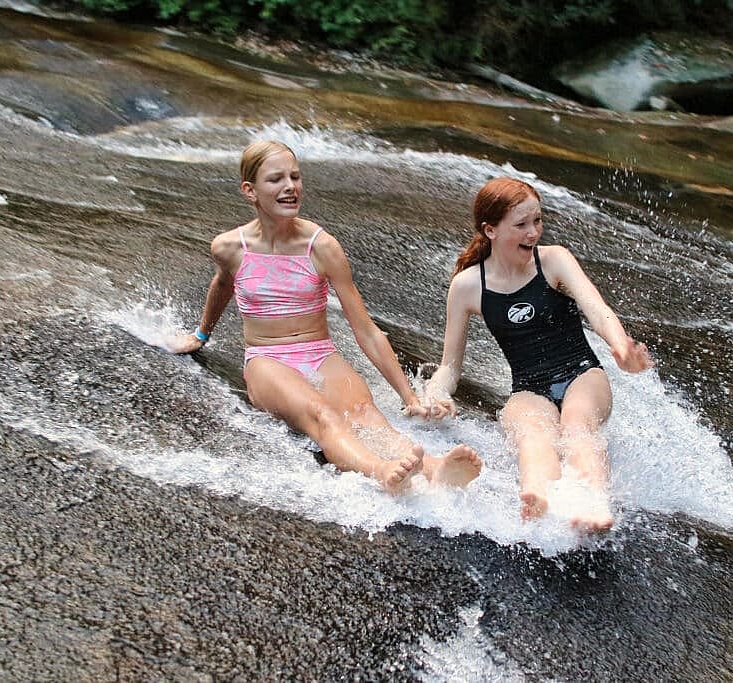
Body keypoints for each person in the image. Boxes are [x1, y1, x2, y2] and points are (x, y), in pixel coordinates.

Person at [172, 140, 481, 494]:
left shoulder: (322, 247)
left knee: (366, 413)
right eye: (275, 180)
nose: (289, 186)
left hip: (319, 352)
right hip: (267, 359)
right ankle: (379, 470)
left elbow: (365, 331)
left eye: (295, 177)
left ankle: (435, 467)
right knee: (323, 414)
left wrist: (409, 397)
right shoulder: (229, 247)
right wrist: (201, 334)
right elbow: (223, 284)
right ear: (250, 191)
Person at [422, 177, 653, 531]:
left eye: (538, 221)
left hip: (582, 374)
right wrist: (435, 393)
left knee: (575, 422)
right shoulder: (468, 286)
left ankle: (593, 501)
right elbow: (450, 367)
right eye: (521, 225)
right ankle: (538, 499)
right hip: (529, 387)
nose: (534, 233)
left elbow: (598, 309)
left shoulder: (555, 261)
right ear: (491, 230)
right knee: (532, 432)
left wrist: (621, 347)